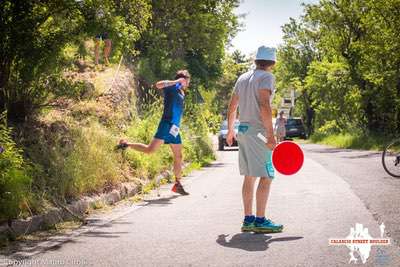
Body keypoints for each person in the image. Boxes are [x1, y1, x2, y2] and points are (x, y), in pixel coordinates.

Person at [226, 46, 283, 233]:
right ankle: (260, 221)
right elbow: (264, 105)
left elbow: (232, 106)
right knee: (267, 175)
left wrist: (230, 131)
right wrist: (270, 135)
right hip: (258, 131)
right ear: (272, 63)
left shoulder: (242, 78)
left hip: (242, 130)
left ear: (256, 60)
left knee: (249, 176)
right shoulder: (267, 77)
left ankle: (248, 219)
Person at [117, 70, 191, 195]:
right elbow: (158, 85)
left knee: (178, 156)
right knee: (150, 150)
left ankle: (178, 184)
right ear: (182, 80)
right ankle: (126, 144)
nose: (188, 83)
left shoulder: (181, 92)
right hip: (166, 125)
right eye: (186, 81)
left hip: (174, 129)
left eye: (187, 81)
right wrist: (176, 82)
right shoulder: (172, 87)